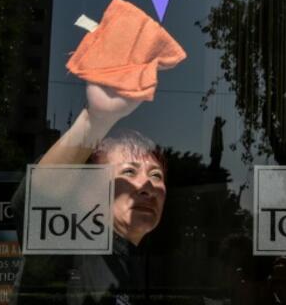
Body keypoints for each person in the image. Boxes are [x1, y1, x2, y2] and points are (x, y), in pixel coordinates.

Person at [11, 82, 168, 305]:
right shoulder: (71, 246)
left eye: (156, 175)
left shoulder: (139, 264)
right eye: (129, 171)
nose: (147, 184)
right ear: (90, 190)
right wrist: (94, 120)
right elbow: (37, 198)